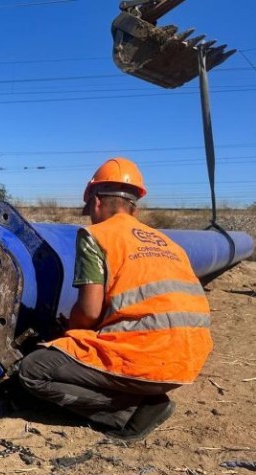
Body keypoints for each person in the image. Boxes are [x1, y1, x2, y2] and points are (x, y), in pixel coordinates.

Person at [18, 157, 213, 441]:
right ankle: (144, 396)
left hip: (148, 357)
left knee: (32, 371)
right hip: (188, 359)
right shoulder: (168, 243)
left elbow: (88, 310)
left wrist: (69, 332)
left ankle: (130, 412)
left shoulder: (97, 235)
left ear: (96, 202)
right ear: (135, 205)